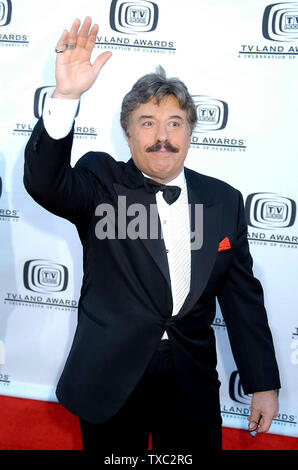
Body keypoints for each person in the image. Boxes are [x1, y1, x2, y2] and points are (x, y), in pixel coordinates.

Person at [24, 17, 280, 457]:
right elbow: (46, 183)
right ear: (127, 134)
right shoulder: (101, 181)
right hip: (109, 379)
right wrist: (65, 97)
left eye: (175, 123)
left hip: (191, 384)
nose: (163, 137)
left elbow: (242, 301)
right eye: (147, 123)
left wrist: (262, 383)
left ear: (190, 132)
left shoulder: (224, 201)